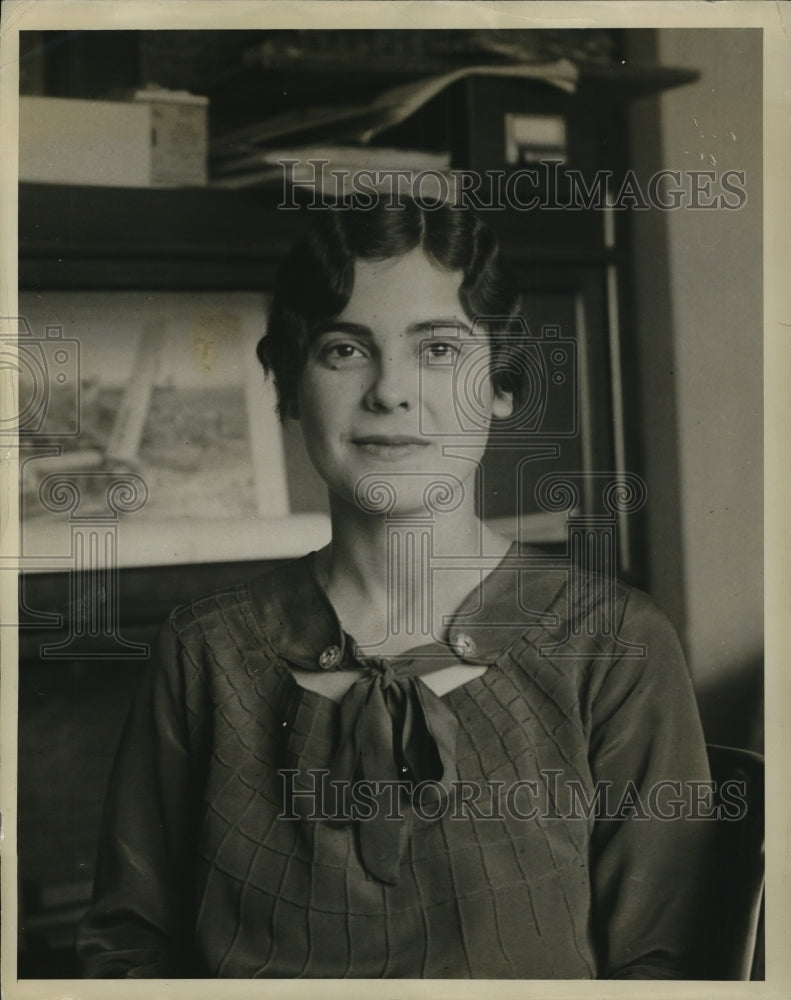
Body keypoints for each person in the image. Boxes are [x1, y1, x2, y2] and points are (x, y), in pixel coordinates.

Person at [77, 197, 712, 979]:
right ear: (289, 387)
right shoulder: (202, 651)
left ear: (502, 384)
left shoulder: (614, 647)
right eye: (344, 349)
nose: (389, 390)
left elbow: (663, 971)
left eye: (438, 348)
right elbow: (126, 951)